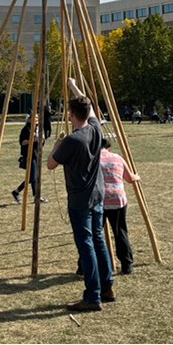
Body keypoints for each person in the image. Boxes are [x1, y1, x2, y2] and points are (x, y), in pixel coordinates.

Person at [47, 84, 115, 312]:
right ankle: (107, 286)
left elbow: (50, 164)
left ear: (71, 115)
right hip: (97, 194)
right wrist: (74, 86)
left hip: (79, 200)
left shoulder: (72, 141)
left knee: (86, 245)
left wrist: (55, 145)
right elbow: (92, 109)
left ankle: (92, 296)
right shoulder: (96, 129)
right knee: (98, 239)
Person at [98, 136, 141, 275]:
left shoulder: (93, 159)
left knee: (93, 233)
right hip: (118, 198)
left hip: (99, 199)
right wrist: (137, 176)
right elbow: (130, 178)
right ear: (109, 148)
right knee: (120, 231)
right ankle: (127, 264)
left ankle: (83, 265)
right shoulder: (117, 158)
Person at [13, 114, 41, 203]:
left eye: (37, 118)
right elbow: (22, 142)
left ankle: (36, 197)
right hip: (28, 155)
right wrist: (32, 140)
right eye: (34, 118)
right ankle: (16, 191)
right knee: (32, 177)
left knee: (35, 177)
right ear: (29, 119)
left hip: (35, 154)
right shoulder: (26, 130)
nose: (37, 119)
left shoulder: (36, 129)